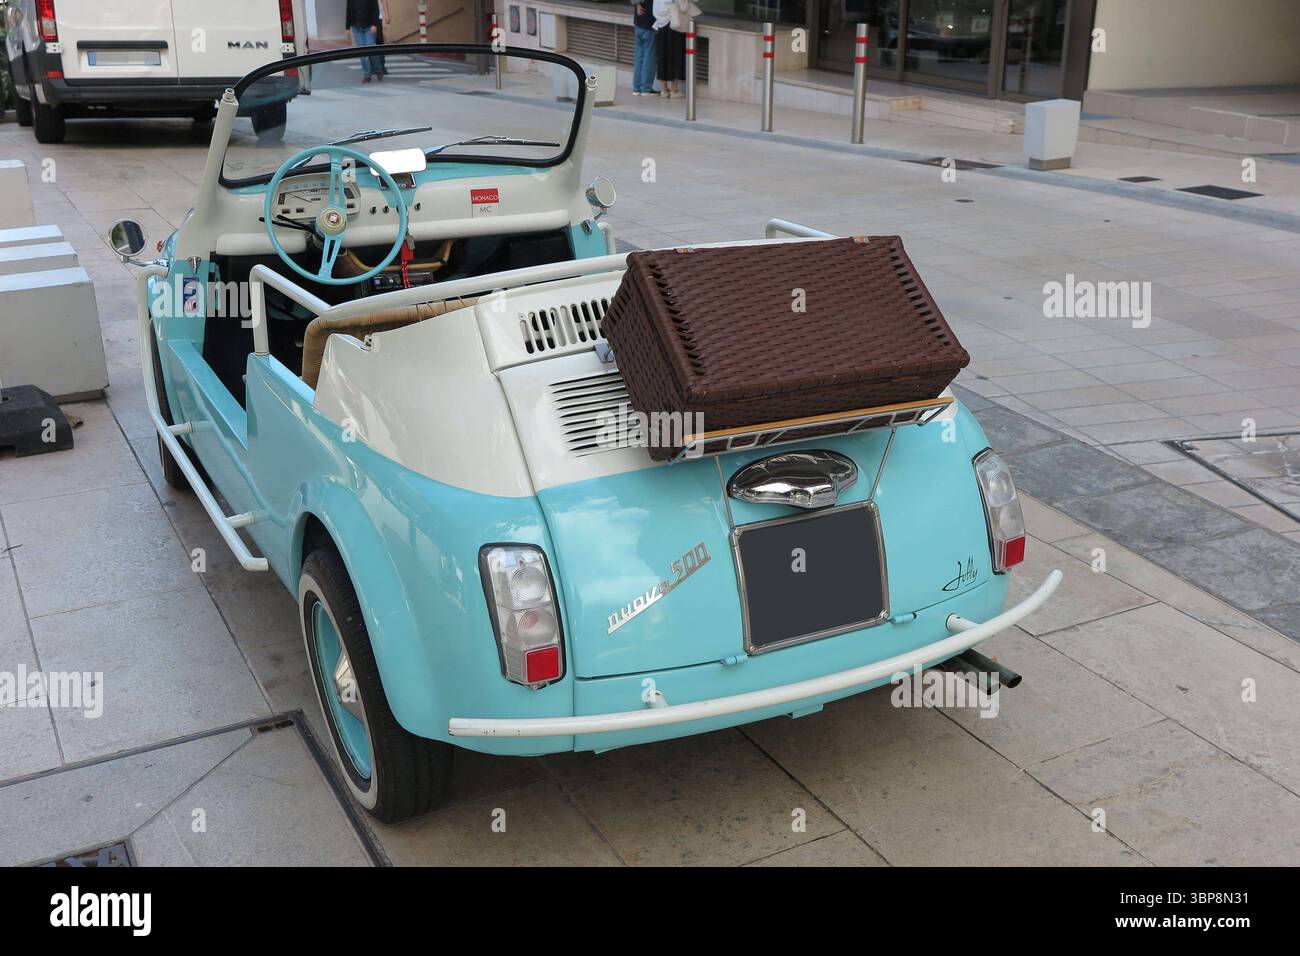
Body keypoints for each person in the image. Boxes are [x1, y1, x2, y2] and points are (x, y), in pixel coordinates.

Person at [653, 0, 700, 99]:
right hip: (675, 23)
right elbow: (683, 6)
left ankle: (664, 90)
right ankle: (674, 90)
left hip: (661, 25)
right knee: (676, 55)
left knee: (662, 56)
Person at [346, 0, 382, 83]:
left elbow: (376, 10)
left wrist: (375, 24)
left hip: (369, 27)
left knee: (371, 50)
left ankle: (378, 69)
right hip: (356, 27)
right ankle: (367, 75)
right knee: (362, 52)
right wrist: (347, 28)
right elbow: (348, 11)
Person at [631, 1, 658, 96]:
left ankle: (636, 87)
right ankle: (646, 88)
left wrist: (637, 4)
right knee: (649, 55)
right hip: (650, 21)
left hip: (639, 20)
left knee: (639, 55)